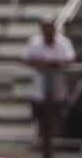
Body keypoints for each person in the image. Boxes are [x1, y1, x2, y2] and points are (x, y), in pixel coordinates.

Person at [22, 17, 75, 148]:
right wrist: (42, 64)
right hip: (38, 88)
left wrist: (53, 64)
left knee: (56, 115)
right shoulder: (34, 42)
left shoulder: (64, 42)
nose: (48, 31)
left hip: (58, 86)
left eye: (50, 28)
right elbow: (25, 59)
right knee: (39, 116)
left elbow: (70, 59)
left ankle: (55, 144)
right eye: (45, 28)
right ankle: (40, 142)